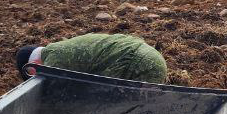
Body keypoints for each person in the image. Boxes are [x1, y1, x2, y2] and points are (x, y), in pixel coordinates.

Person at [15, 33, 168, 84]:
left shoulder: (53, 62)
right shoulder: (62, 48)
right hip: (151, 56)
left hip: (141, 67)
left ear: (32, 66)